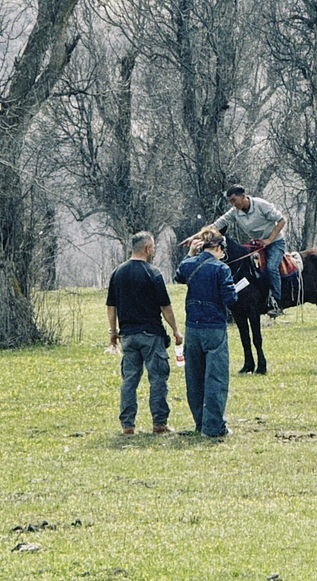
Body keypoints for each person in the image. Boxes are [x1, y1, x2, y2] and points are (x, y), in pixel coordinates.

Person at [106, 231, 182, 435]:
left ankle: (128, 425)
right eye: (154, 247)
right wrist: (175, 329)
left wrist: (113, 332)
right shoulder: (153, 273)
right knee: (158, 379)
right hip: (151, 335)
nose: (154, 250)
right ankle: (159, 423)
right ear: (148, 248)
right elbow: (165, 306)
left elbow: (111, 306)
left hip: (128, 336)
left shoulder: (117, 273)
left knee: (129, 381)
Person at [186, 185, 287, 317]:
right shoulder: (235, 212)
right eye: (230, 201)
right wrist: (193, 237)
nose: (233, 204)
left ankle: (276, 302)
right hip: (257, 244)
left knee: (271, 267)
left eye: (234, 200)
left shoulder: (261, 205)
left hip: (275, 242)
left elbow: (282, 220)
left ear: (243, 196)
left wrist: (269, 240)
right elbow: (216, 225)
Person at [175, 234, 238, 437]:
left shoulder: (190, 264)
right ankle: (214, 426)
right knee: (216, 377)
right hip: (214, 328)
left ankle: (200, 422)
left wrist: (190, 253)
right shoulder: (222, 269)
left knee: (194, 377)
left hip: (192, 327)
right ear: (219, 247)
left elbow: (179, 276)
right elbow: (230, 298)